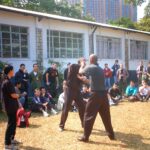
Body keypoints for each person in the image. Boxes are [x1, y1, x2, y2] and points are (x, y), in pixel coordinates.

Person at [78, 54, 115, 142]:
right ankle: (111, 135)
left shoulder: (91, 66)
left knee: (88, 115)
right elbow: (92, 81)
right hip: (103, 95)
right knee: (106, 116)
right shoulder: (100, 69)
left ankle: (85, 137)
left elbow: (80, 72)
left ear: (91, 60)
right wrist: (85, 80)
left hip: (96, 95)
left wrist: (82, 64)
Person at [59, 64, 85, 131]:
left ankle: (84, 124)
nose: (84, 64)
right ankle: (61, 126)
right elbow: (77, 74)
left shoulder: (81, 71)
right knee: (66, 108)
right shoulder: (73, 67)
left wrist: (83, 78)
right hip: (69, 90)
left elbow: (82, 79)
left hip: (77, 91)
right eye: (83, 63)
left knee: (82, 106)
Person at [2, 65, 21, 149]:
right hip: (10, 107)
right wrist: (19, 95)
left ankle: (12, 139)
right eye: (13, 70)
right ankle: (7, 144)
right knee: (11, 124)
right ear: (10, 71)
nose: (14, 71)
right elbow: (13, 95)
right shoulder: (7, 82)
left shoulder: (8, 81)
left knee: (13, 123)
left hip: (12, 106)